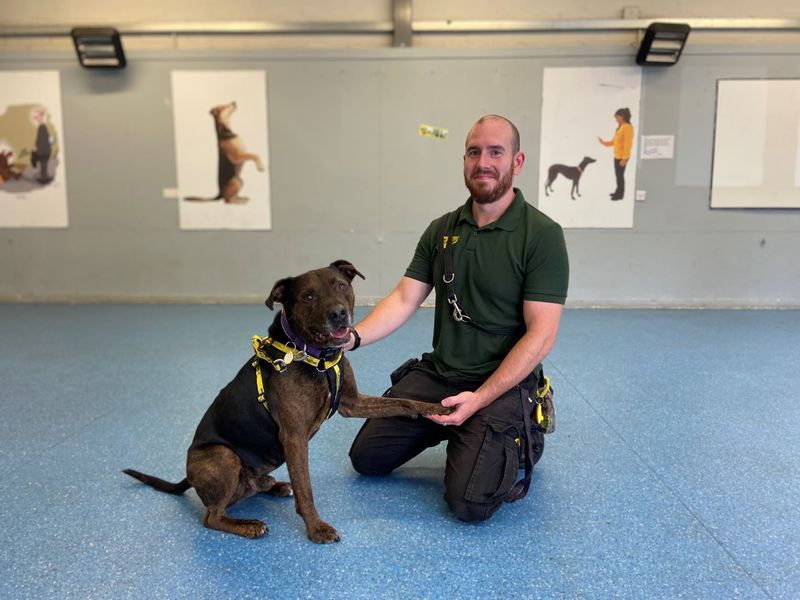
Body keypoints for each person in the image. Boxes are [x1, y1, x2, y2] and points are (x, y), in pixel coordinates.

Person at [345, 115, 569, 522]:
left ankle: (519, 435)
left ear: (517, 162)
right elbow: (402, 299)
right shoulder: (442, 230)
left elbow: (541, 334)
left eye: (496, 152)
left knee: (470, 503)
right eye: (474, 151)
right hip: (441, 374)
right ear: (464, 160)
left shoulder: (542, 235)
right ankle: (462, 430)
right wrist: (350, 338)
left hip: (500, 381)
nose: (483, 162)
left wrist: (479, 400)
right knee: (367, 458)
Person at [597, 107, 633, 201]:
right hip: (617, 156)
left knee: (620, 177)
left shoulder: (627, 127)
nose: (616, 119)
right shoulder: (620, 127)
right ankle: (618, 192)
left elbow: (628, 144)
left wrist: (624, 159)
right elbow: (614, 142)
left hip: (622, 157)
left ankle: (620, 195)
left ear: (622, 116)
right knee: (618, 176)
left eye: (617, 117)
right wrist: (603, 143)